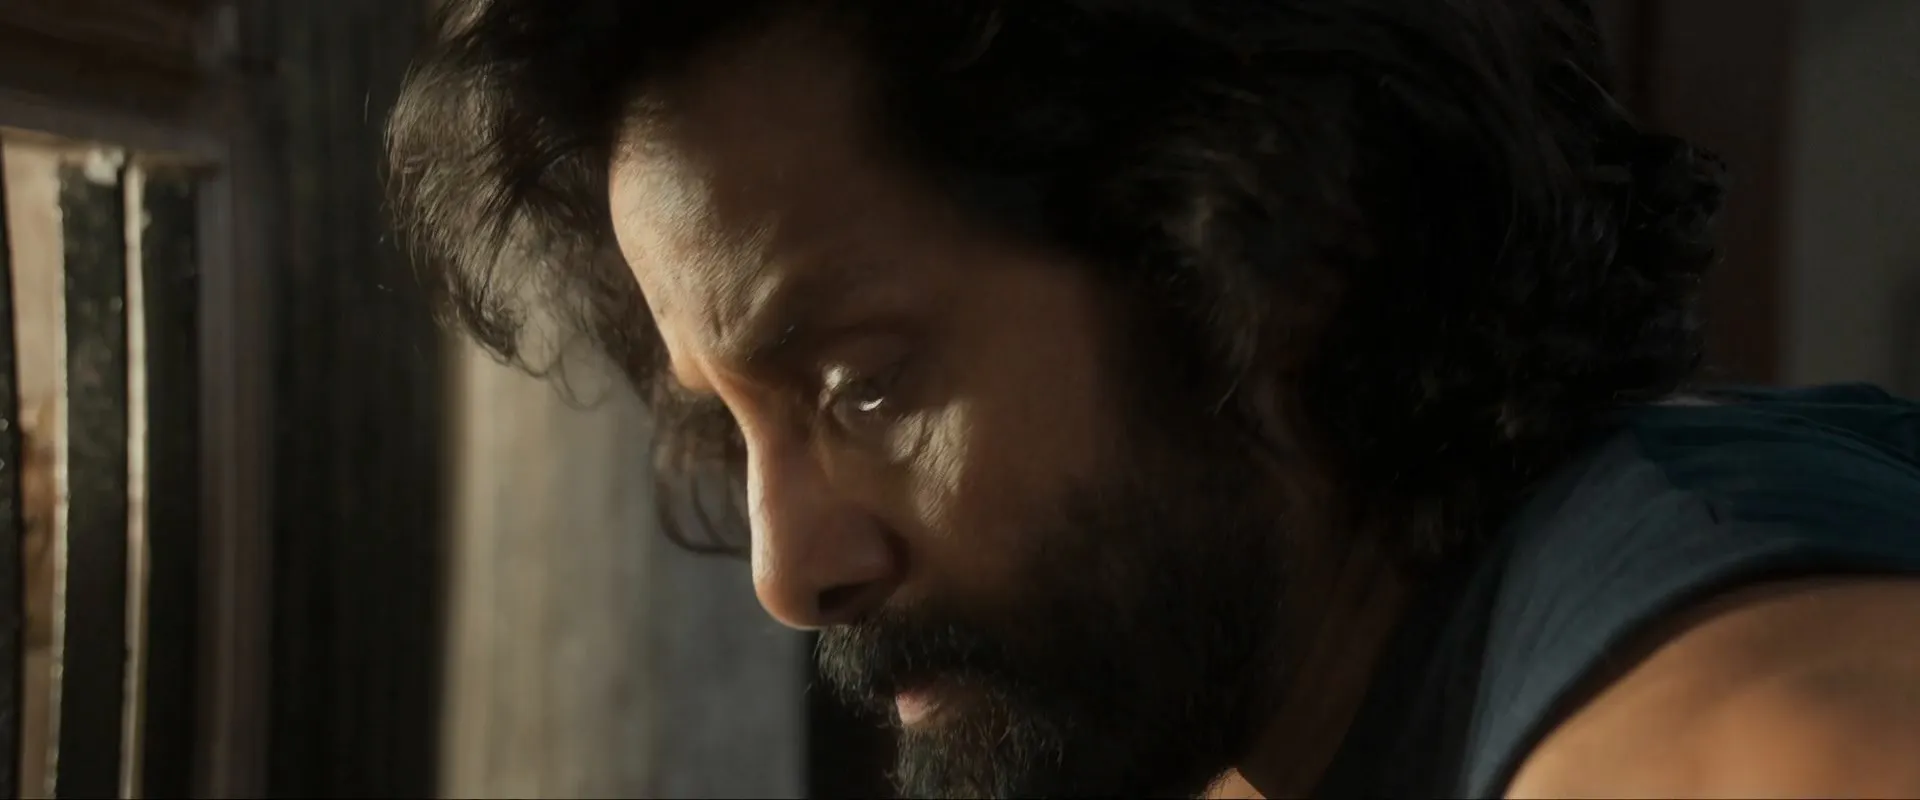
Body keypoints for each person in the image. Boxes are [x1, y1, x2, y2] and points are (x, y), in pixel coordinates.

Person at [386, 1, 1920, 797]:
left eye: (862, 385)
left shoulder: (1742, 746)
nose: (790, 573)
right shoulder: (1296, 661)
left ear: (1280, 254)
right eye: (733, 424)